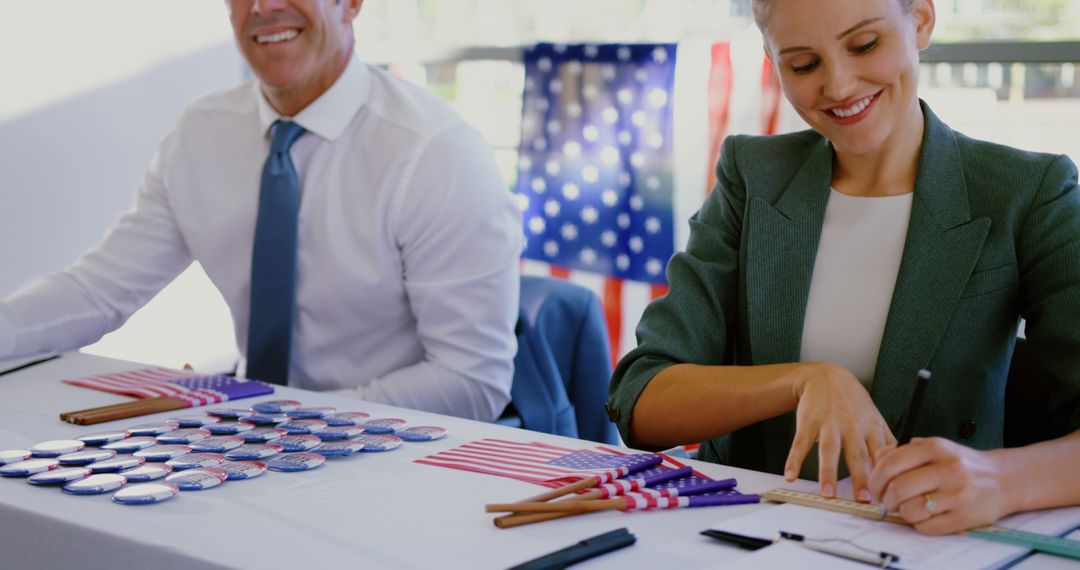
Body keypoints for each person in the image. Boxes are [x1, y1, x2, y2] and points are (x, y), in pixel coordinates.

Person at [607, 0, 1080, 534]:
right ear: (771, 58)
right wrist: (804, 381)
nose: (838, 85)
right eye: (804, 64)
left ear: (921, 20)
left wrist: (1001, 480)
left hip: (927, 541)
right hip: (743, 537)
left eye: (864, 45)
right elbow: (640, 399)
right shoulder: (753, 178)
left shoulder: (1028, 192)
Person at [0, 0, 522, 422]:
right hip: (245, 432)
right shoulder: (200, 132)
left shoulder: (436, 153)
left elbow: (471, 381)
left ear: (353, 4)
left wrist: (285, 417)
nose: (265, 6)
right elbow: (99, 290)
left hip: (391, 447)